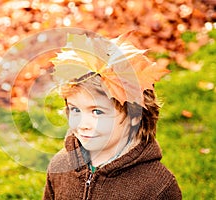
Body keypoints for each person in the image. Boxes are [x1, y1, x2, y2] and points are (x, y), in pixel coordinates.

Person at [43, 32, 182, 199]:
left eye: (97, 112)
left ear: (134, 116)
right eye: (75, 110)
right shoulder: (60, 166)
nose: (83, 124)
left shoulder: (157, 187)